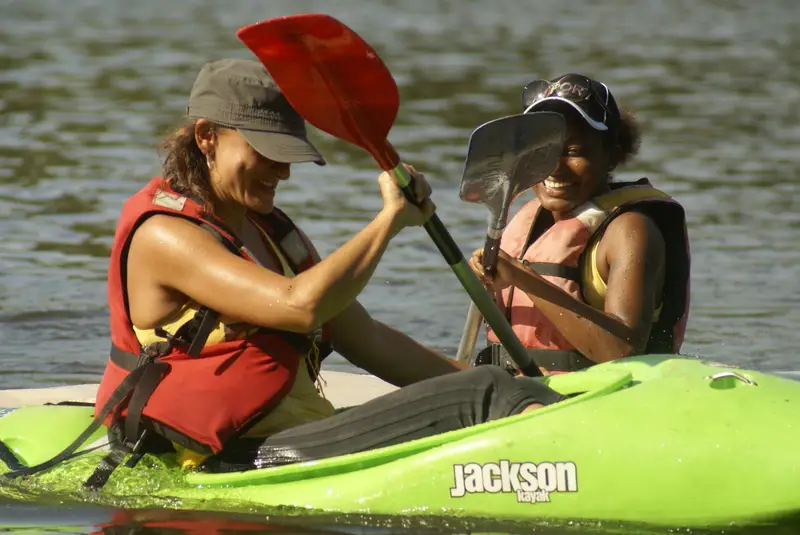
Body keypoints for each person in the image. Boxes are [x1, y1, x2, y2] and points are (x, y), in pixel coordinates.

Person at [89, 58, 564, 478]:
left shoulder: (271, 233)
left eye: (288, 156)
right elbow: (300, 308)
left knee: (493, 387)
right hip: (225, 455)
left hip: (296, 433)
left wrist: (515, 385)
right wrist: (389, 221)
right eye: (267, 152)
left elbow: (370, 341)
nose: (283, 171)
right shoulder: (165, 234)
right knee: (485, 394)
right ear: (207, 137)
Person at [468, 73, 690, 375]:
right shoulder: (528, 220)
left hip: (603, 391)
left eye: (573, 152)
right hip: (515, 385)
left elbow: (622, 352)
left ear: (611, 156)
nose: (554, 167)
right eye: (542, 150)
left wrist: (523, 278)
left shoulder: (630, 230)